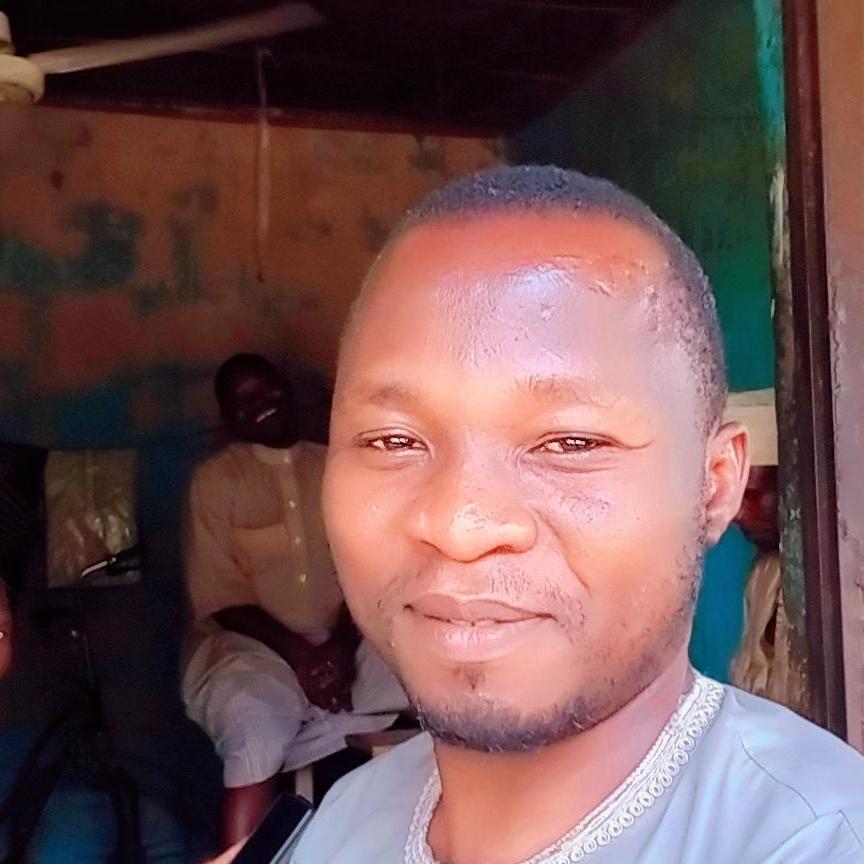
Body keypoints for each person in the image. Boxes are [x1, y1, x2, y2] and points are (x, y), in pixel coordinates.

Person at [281, 166, 863, 864]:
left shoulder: (818, 841)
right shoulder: (339, 822)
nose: (461, 527)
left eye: (571, 443)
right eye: (393, 441)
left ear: (713, 487)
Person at [181, 353, 406, 849]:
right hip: (252, 647)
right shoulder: (216, 482)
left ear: (287, 389)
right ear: (229, 418)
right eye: (243, 402)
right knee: (254, 724)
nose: (260, 405)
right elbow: (221, 596)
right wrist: (304, 658)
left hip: (347, 636)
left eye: (267, 390)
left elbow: (369, 573)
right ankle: (240, 858)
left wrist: (340, 650)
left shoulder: (338, 468)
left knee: (437, 685)